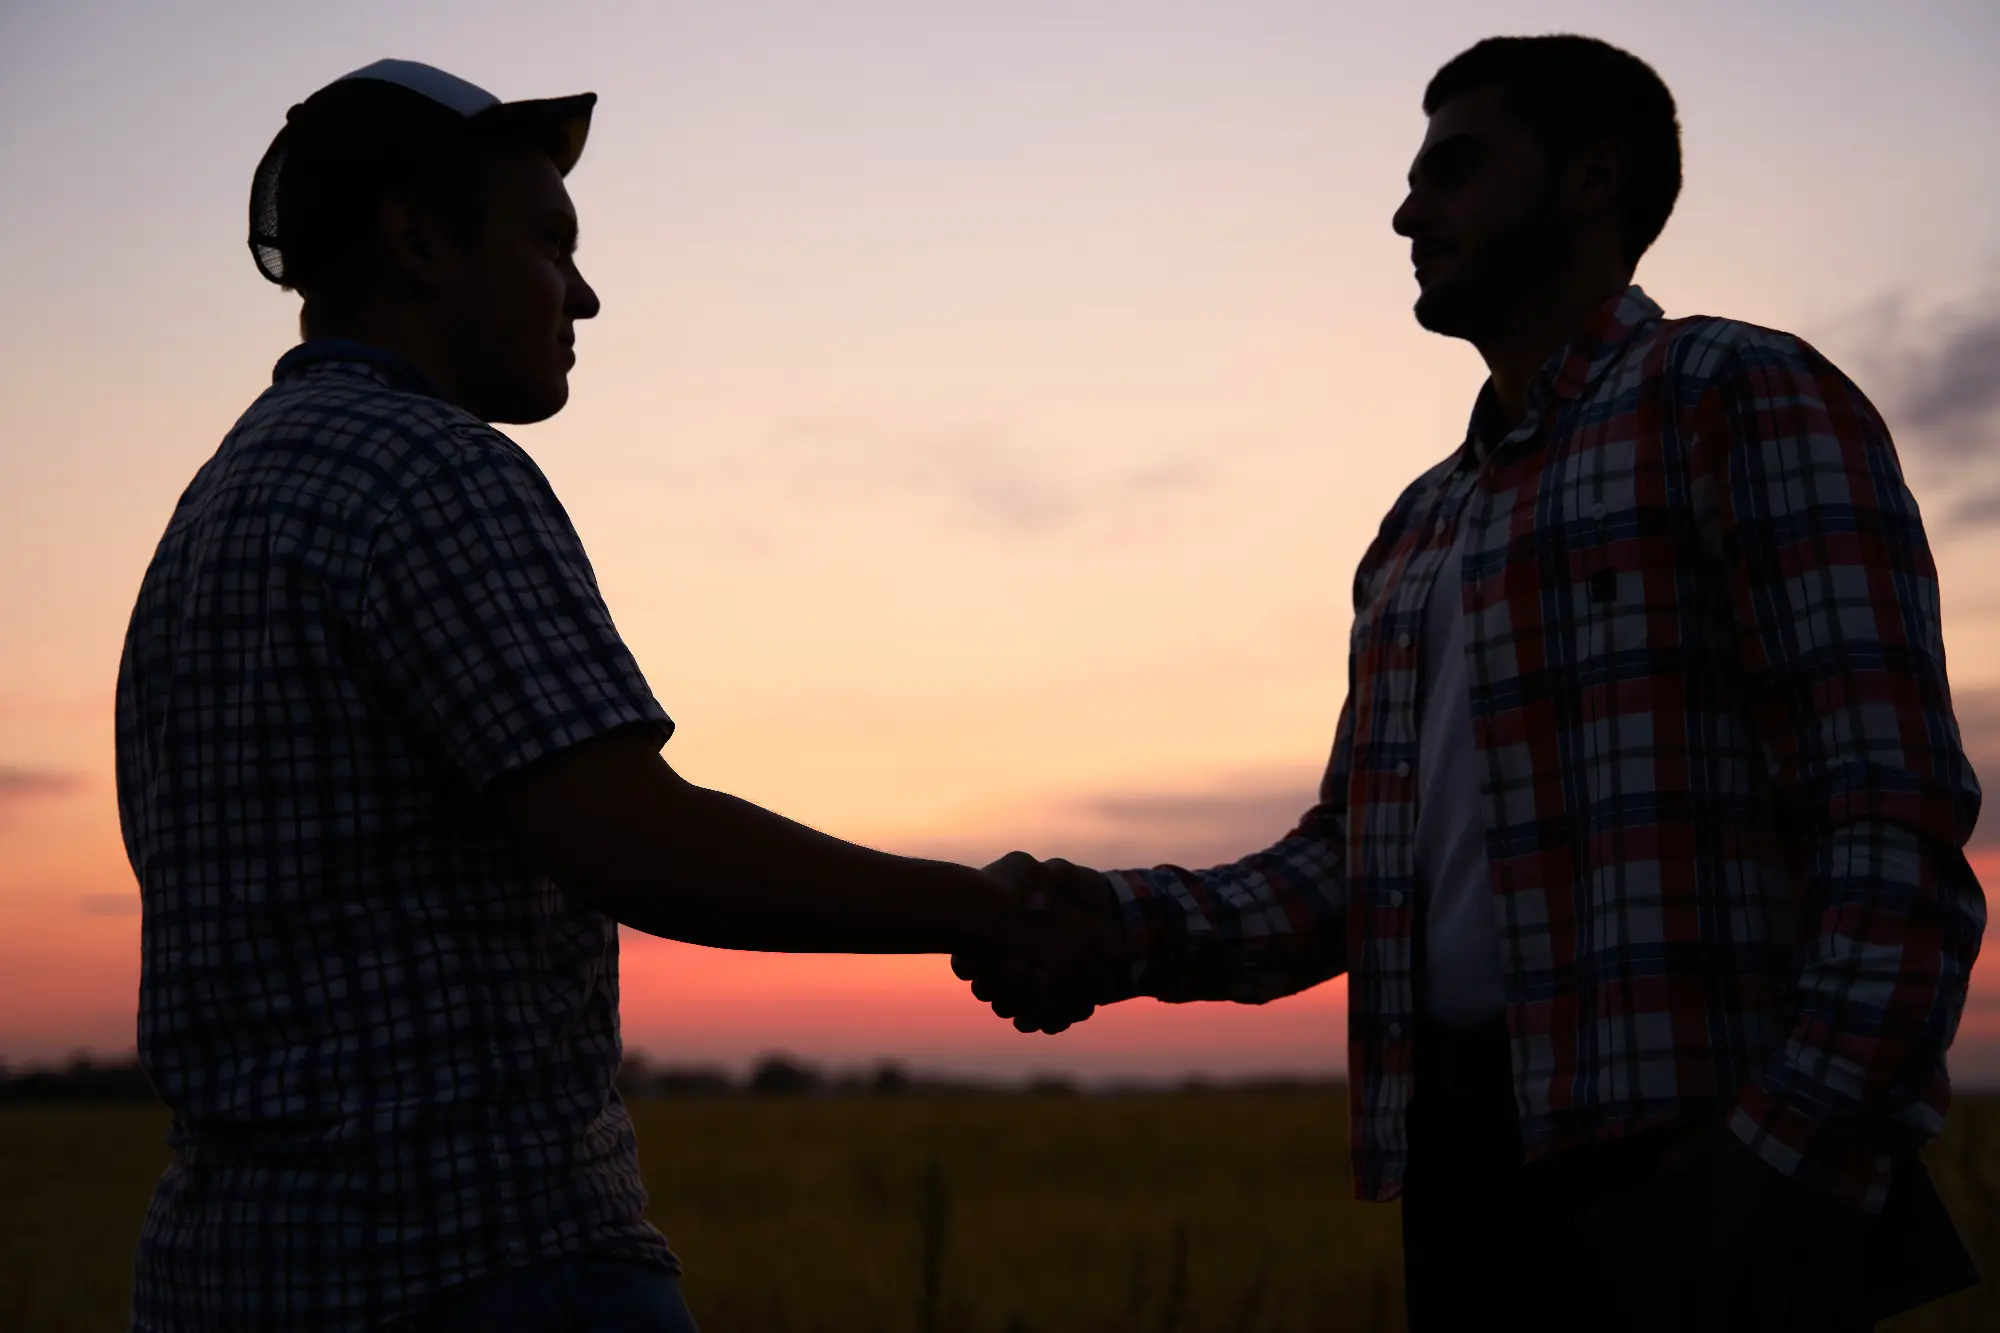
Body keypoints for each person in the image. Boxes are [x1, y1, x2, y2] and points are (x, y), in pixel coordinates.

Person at [955, 34, 1986, 1331]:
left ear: (1592, 177)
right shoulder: (1417, 526)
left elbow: (1888, 812)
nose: (1405, 210)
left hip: (1692, 1145)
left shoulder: (1735, 394)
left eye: (1452, 168)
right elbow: (1349, 869)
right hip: (1459, 1159)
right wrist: (1108, 921)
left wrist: (1780, 1148)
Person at [115, 59, 1114, 1333]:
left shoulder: (209, 514)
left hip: (224, 1280)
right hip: (478, 1262)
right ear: (418, 240)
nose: (582, 291)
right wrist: (972, 905)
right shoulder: (432, 473)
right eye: (548, 242)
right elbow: (631, 839)